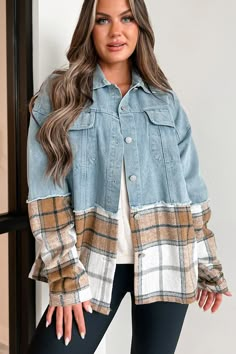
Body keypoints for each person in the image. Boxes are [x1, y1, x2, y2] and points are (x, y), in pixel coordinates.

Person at [26, 0, 232, 353]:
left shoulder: (164, 101)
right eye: (103, 20)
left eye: (127, 18)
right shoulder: (59, 93)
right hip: (91, 260)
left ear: (141, 27)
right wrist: (65, 274)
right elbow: (48, 195)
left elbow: (192, 191)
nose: (116, 31)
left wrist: (208, 265)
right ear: (88, 28)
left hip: (167, 255)